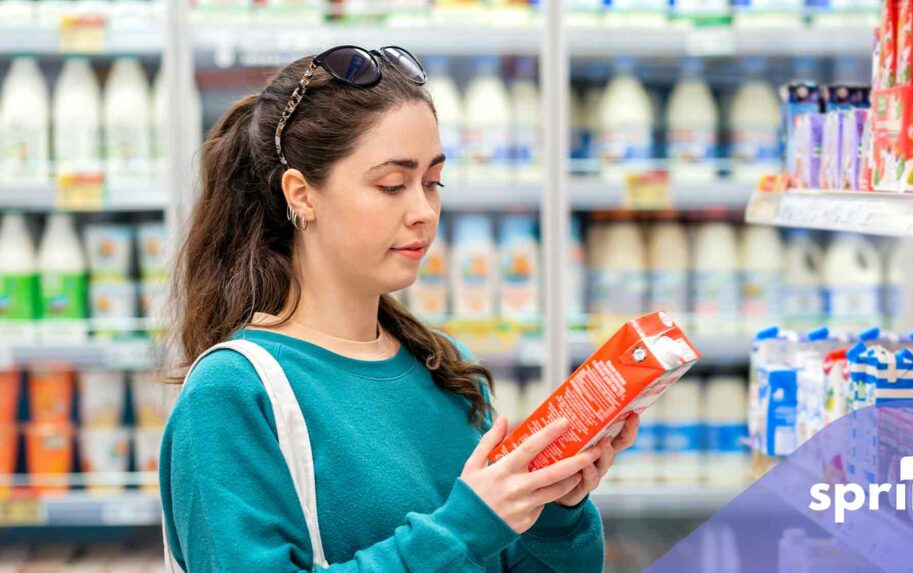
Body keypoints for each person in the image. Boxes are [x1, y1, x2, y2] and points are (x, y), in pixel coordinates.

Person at [159, 45, 640, 572]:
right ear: (301, 195)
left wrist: (555, 507)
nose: (423, 212)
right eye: (392, 185)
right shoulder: (234, 393)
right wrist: (466, 527)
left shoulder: (445, 368)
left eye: (433, 183)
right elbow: (463, 537)